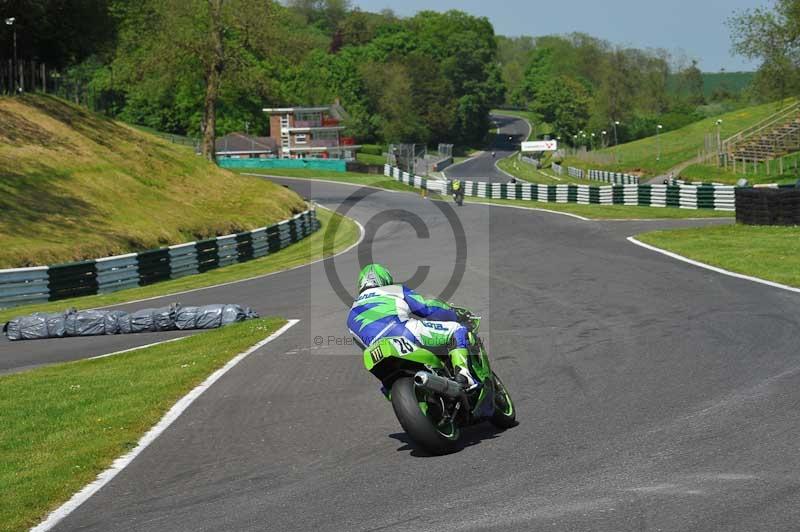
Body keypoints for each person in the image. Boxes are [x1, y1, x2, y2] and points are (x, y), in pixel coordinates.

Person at [347, 264, 478, 390]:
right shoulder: (394, 289)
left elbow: (363, 345)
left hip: (376, 352)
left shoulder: (350, 314)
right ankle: (464, 375)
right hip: (405, 332)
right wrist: (453, 314)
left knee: (386, 386)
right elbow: (427, 309)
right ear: (385, 279)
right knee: (456, 330)